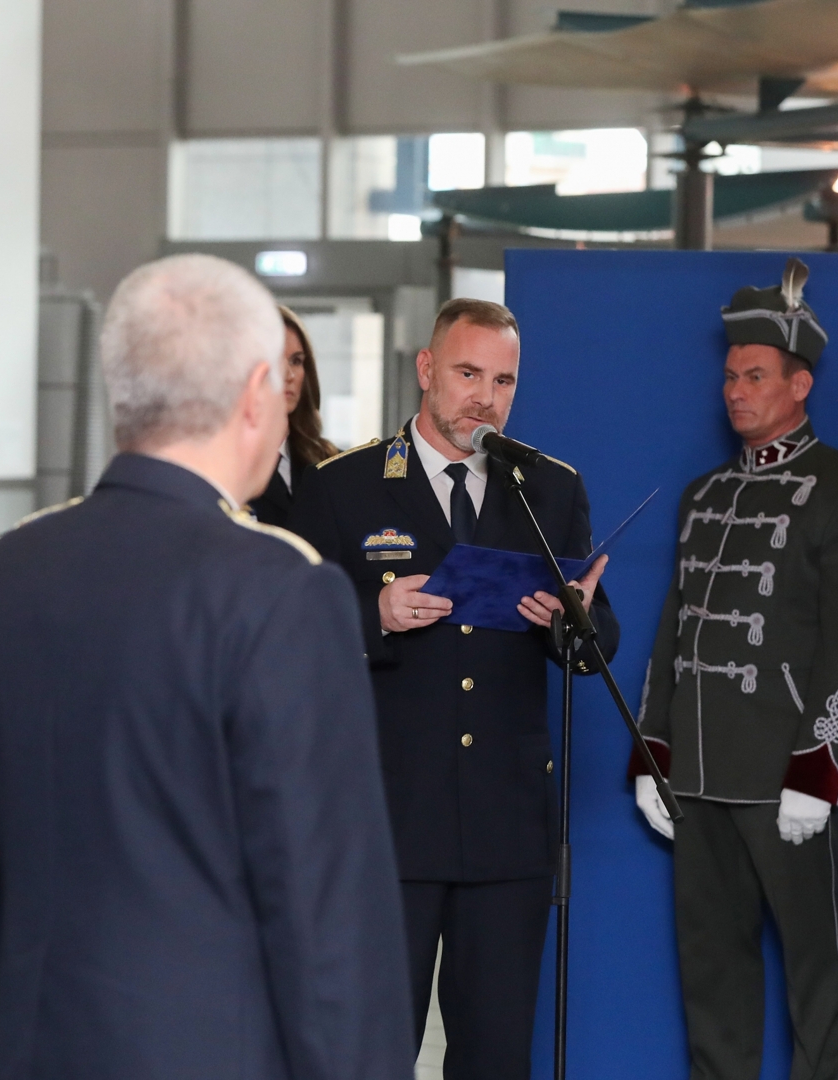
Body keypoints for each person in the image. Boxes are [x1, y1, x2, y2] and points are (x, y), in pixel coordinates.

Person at [0, 253, 411, 1080]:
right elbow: (327, 915)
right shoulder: (280, 591)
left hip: (31, 1046)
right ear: (257, 392)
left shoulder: (1, 574)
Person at [290, 296, 619, 1080]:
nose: (485, 398)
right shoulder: (343, 486)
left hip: (504, 820)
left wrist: (568, 623)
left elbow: (596, 639)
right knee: (367, 1052)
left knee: (494, 1057)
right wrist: (373, 614)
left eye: (503, 381)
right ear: (426, 369)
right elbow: (291, 637)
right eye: (468, 374)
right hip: (386, 816)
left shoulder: (547, 488)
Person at [629, 259, 838, 1080]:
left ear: (799, 384)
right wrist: (653, 751)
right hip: (698, 773)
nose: (735, 392)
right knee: (710, 970)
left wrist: (818, 768)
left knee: (815, 967)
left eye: (754, 376)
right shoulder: (703, 495)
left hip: (785, 775)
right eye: (729, 376)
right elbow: (673, 634)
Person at [248, 304, 335, 526]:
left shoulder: (332, 463)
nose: (289, 375)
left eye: (296, 361)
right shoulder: (222, 463)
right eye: (275, 360)